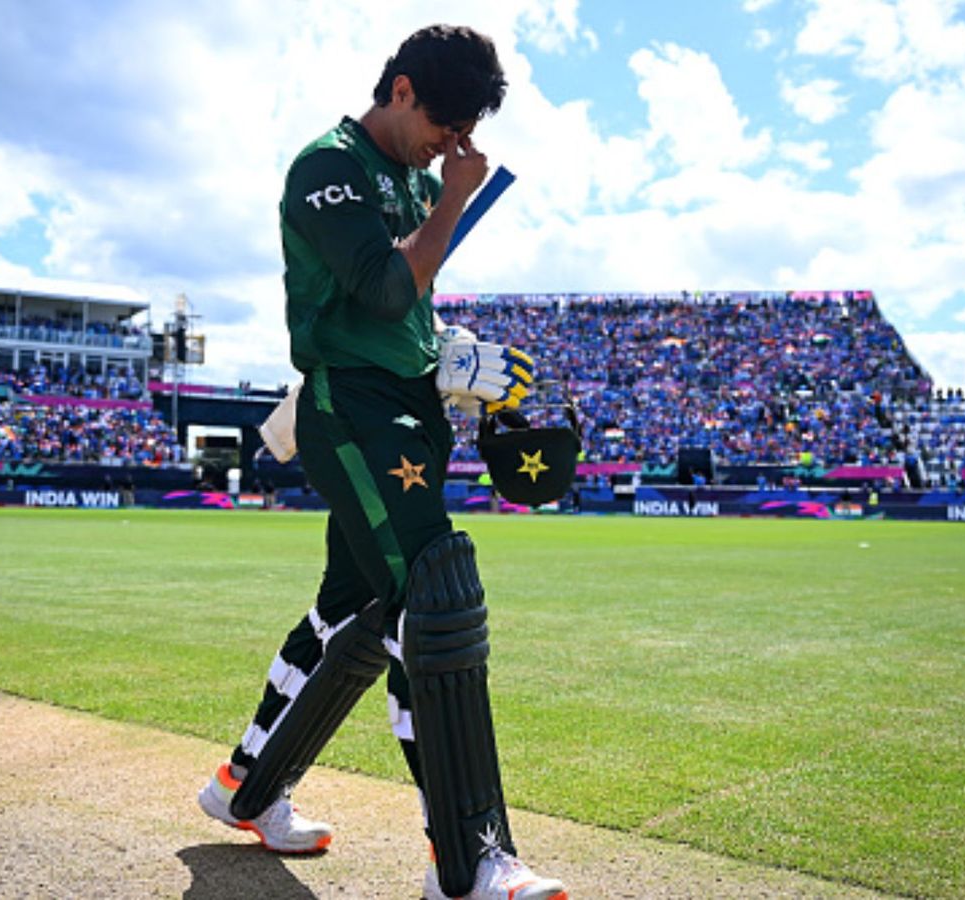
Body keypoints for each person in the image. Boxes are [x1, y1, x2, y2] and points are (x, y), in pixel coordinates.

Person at [196, 25, 566, 900]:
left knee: (350, 612)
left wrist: (449, 353)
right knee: (431, 599)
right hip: (352, 412)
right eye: (442, 123)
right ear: (400, 90)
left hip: (406, 409)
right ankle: (470, 860)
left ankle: (244, 789)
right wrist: (453, 201)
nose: (452, 145)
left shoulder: (410, 174)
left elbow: (407, 312)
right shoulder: (327, 167)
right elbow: (388, 287)